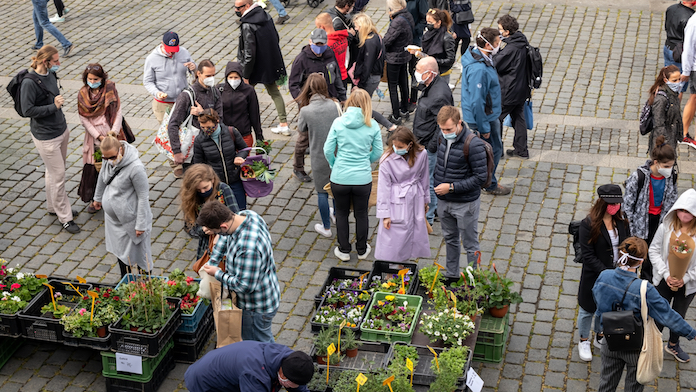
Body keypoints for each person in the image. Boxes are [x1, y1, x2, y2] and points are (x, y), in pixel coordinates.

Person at [594, 237, 696, 391]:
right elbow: (667, 315)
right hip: (635, 346)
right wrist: (691, 333)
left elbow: (598, 300)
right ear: (641, 262)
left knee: (606, 385)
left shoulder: (604, 276)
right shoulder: (644, 289)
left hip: (609, 341)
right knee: (634, 387)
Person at [198, 200, 280, 342]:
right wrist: (214, 259)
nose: (218, 235)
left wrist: (217, 273)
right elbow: (226, 237)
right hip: (267, 288)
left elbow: (244, 286)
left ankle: (274, 363)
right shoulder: (246, 215)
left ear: (223, 226)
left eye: (216, 232)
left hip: (255, 308)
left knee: (261, 345)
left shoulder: (248, 249)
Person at [21, 46, 80, 234]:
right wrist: (53, 107)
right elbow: (27, 110)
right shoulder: (30, 83)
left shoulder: (51, 75)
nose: (59, 64)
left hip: (60, 130)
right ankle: (65, 217)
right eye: (55, 61)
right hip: (46, 137)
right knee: (59, 175)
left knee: (53, 172)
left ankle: (53, 207)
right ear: (46, 61)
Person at [324, 89, 383, 261]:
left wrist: (335, 164)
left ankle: (343, 250)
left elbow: (328, 149)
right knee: (361, 213)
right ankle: (362, 249)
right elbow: (378, 151)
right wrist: (366, 160)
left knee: (341, 213)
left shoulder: (338, 122)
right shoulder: (372, 125)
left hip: (340, 177)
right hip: (362, 178)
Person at [576, 184, 629, 362]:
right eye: (611, 203)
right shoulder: (588, 224)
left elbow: (626, 244)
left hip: (616, 274)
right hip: (595, 276)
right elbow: (588, 256)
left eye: (617, 203)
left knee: (605, 308)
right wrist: (607, 274)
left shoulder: (621, 221)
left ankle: (599, 334)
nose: (615, 207)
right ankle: (583, 340)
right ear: (602, 203)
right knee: (587, 309)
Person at [432, 106, 487, 278]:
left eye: (448, 129)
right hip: (444, 201)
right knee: (450, 240)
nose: (444, 132)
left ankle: (474, 282)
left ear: (459, 123)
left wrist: (451, 187)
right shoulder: (442, 136)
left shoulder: (474, 144)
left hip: (465, 203)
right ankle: (451, 275)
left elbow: (480, 178)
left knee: (470, 245)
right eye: (442, 129)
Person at [288, 28, 346, 183]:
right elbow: (293, 84)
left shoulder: (329, 54)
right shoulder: (301, 60)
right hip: (310, 106)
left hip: (330, 101)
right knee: (303, 139)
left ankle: (331, 162)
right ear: (310, 42)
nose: (320, 47)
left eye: (322, 44)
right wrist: (302, 103)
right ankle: (298, 167)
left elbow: (337, 76)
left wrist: (342, 97)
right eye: (317, 44)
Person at [91, 132, 153, 277]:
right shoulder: (108, 159)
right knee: (121, 253)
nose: (109, 161)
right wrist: (98, 198)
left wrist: (141, 224)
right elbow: (102, 177)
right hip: (115, 221)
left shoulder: (136, 168)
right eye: (105, 158)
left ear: (120, 150)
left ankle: (146, 287)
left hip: (132, 220)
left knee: (141, 256)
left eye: (112, 157)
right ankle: (126, 284)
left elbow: (143, 196)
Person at [649, 188, 696, 363]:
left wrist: (686, 278)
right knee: (659, 312)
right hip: (664, 280)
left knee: (679, 314)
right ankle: (652, 344)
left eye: (688, 212)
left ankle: (673, 344)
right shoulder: (666, 227)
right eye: (681, 210)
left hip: (688, 285)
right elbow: (653, 251)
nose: (684, 214)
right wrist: (667, 273)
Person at [461, 28, 510, 196]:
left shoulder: (479, 57)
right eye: (497, 43)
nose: (499, 45)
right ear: (487, 44)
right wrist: (484, 128)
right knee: (492, 150)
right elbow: (477, 101)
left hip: (486, 114)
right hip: (485, 118)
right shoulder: (479, 70)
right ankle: (489, 182)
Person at [624, 136, 678, 283]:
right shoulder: (639, 177)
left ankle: (646, 283)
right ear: (656, 163)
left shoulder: (671, 177)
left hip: (660, 221)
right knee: (636, 253)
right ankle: (630, 282)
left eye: (671, 166)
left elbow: (673, 199)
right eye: (666, 166)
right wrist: (631, 228)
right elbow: (627, 204)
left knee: (653, 254)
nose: (669, 169)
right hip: (641, 222)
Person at [143, 31, 196, 177]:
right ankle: (175, 164)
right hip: (163, 103)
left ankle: (186, 157)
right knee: (169, 131)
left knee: (184, 130)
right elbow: (147, 81)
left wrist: (193, 68)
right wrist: (157, 92)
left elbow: (194, 72)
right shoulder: (152, 59)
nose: (172, 53)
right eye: (169, 50)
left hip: (182, 99)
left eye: (174, 50)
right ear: (162, 44)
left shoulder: (183, 52)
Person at [375, 127, 430, 262]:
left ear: (410, 145)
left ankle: (405, 267)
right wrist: (385, 215)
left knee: (414, 231)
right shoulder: (386, 160)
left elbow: (425, 177)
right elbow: (383, 188)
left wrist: (425, 200)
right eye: (394, 145)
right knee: (393, 237)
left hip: (415, 195)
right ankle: (391, 270)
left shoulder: (422, 154)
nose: (396, 148)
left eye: (400, 146)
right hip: (396, 199)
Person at [296, 74, 342, 237]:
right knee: (336, 188)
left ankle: (326, 227)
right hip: (337, 154)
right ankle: (336, 215)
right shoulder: (334, 105)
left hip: (318, 155)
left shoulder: (306, 111)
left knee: (322, 192)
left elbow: (301, 129)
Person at [236, 0, 289, 136]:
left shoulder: (247, 24)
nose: (235, 10)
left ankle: (239, 121)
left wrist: (246, 75)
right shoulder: (266, 16)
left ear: (247, 6)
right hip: (268, 63)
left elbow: (249, 53)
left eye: (238, 8)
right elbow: (275, 37)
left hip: (253, 66)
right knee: (275, 93)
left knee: (242, 94)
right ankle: (284, 123)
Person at [411, 56, 453, 225]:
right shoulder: (431, 85)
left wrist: (432, 147)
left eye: (419, 72)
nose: (416, 74)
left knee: (429, 182)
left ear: (429, 74)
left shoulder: (439, 95)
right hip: (423, 141)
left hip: (429, 146)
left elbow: (443, 125)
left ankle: (428, 218)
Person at [77, 64, 123, 214]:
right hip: (95, 140)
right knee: (96, 168)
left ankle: (116, 197)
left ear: (102, 78)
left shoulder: (110, 90)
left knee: (116, 166)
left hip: (112, 136)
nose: (92, 81)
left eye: (95, 79)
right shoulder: (83, 94)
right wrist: (98, 136)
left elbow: (118, 111)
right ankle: (95, 198)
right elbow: (84, 119)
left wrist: (113, 133)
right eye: (90, 79)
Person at [184, 341, 313, 392]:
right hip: (204, 381)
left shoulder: (290, 358)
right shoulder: (256, 376)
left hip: (229, 370)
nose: (288, 384)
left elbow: (297, 383)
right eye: (288, 381)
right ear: (282, 372)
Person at [168, 60, 223, 173]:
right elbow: (173, 123)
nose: (211, 78)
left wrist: (203, 114)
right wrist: (177, 151)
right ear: (198, 74)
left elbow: (220, 120)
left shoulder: (215, 92)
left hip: (211, 145)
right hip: (192, 150)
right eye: (208, 75)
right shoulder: (187, 95)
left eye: (213, 75)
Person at [179, 164, 239, 259]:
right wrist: (203, 230)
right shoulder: (191, 197)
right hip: (207, 246)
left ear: (212, 180)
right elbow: (189, 227)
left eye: (205, 188)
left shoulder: (223, 190)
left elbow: (235, 216)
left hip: (228, 244)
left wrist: (220, 232)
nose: (202, 192)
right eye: (198, 190)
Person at [192, 109, 249, 209]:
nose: (206, 130)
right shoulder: (199, 140)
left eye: (209, 127)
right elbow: (198, 165)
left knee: (240, 209)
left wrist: (240, 156)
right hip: (217, 184)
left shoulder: (231, 131)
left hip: (234, 180)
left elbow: (244, 148)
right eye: (203, 127)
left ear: (217, 121)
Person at [495, 15, 531, 160]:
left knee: (497, 118)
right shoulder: (521, 40)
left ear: (507, 32)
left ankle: (497, 151)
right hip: (522, 88)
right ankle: (521, 149)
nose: (499, 32)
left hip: (509, 90)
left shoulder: (510, 49)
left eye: (500, 29)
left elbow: (497, 64)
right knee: (519, 118)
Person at [218, 61, 263, 149]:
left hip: (244, 134)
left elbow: (254, 114)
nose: (233, 80)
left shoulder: (249, 90)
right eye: (230, 77)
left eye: (236, 77)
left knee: (243, 161)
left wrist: (259, 136)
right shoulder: (220, 89)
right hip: (224, 135)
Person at [383, 0, 414, 125]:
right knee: (404, 83)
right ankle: (405, 109)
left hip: (394, 58)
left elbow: (387, 41)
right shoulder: (408, 15)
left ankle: (396, 115)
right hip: (404, 55)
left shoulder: (397, 21)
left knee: (393, 87)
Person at [408, 9, 456, 84]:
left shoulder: (446, 38)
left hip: (441, 74)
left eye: (430, 22)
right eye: (427, 22)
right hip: (428, 72)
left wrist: (432, 60)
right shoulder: (428, 34)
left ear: (438, 22)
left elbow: (450, 60)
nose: (428, 24)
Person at [647, 65, 684, 155]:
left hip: (671, 138)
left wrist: (679, 134)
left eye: (679, 79)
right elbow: (658, 124)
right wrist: (665, 144)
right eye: (674, 80)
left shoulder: (673, 93)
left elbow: (677, 115)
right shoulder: (661, 99)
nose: (678, 83)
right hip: (663, 143)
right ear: (665, 80)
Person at [665, 0, 695, 102]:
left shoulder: (671, 8)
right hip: (679, 52)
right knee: (679, 85)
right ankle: (673, 109)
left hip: (668, 46)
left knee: (668, 77)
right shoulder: (691, 17)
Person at [352, 14, 385, 97]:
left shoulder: (369, 42)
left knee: (362, 105)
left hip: (370, 78)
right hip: (374, 76)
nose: (356, 29)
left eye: (357, 26)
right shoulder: (377, 36)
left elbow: (367, 65)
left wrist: (360, 85)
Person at [406, 0, 429, 109]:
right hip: (401, 38)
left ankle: (413, 99)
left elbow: (424, 18)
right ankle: (405, 96)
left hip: (414, 40)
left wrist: (414, 30)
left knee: (413, 70)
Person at [316, 13, 349, 87]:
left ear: (322, 27)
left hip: (332, 78)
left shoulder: (327, 43)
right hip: (343, 74)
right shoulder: (343, 37)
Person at [680, 11, 696, 148]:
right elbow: (688, 50)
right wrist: (686, 71)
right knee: (693, 98)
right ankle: (684, 133)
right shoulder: (693, 23)